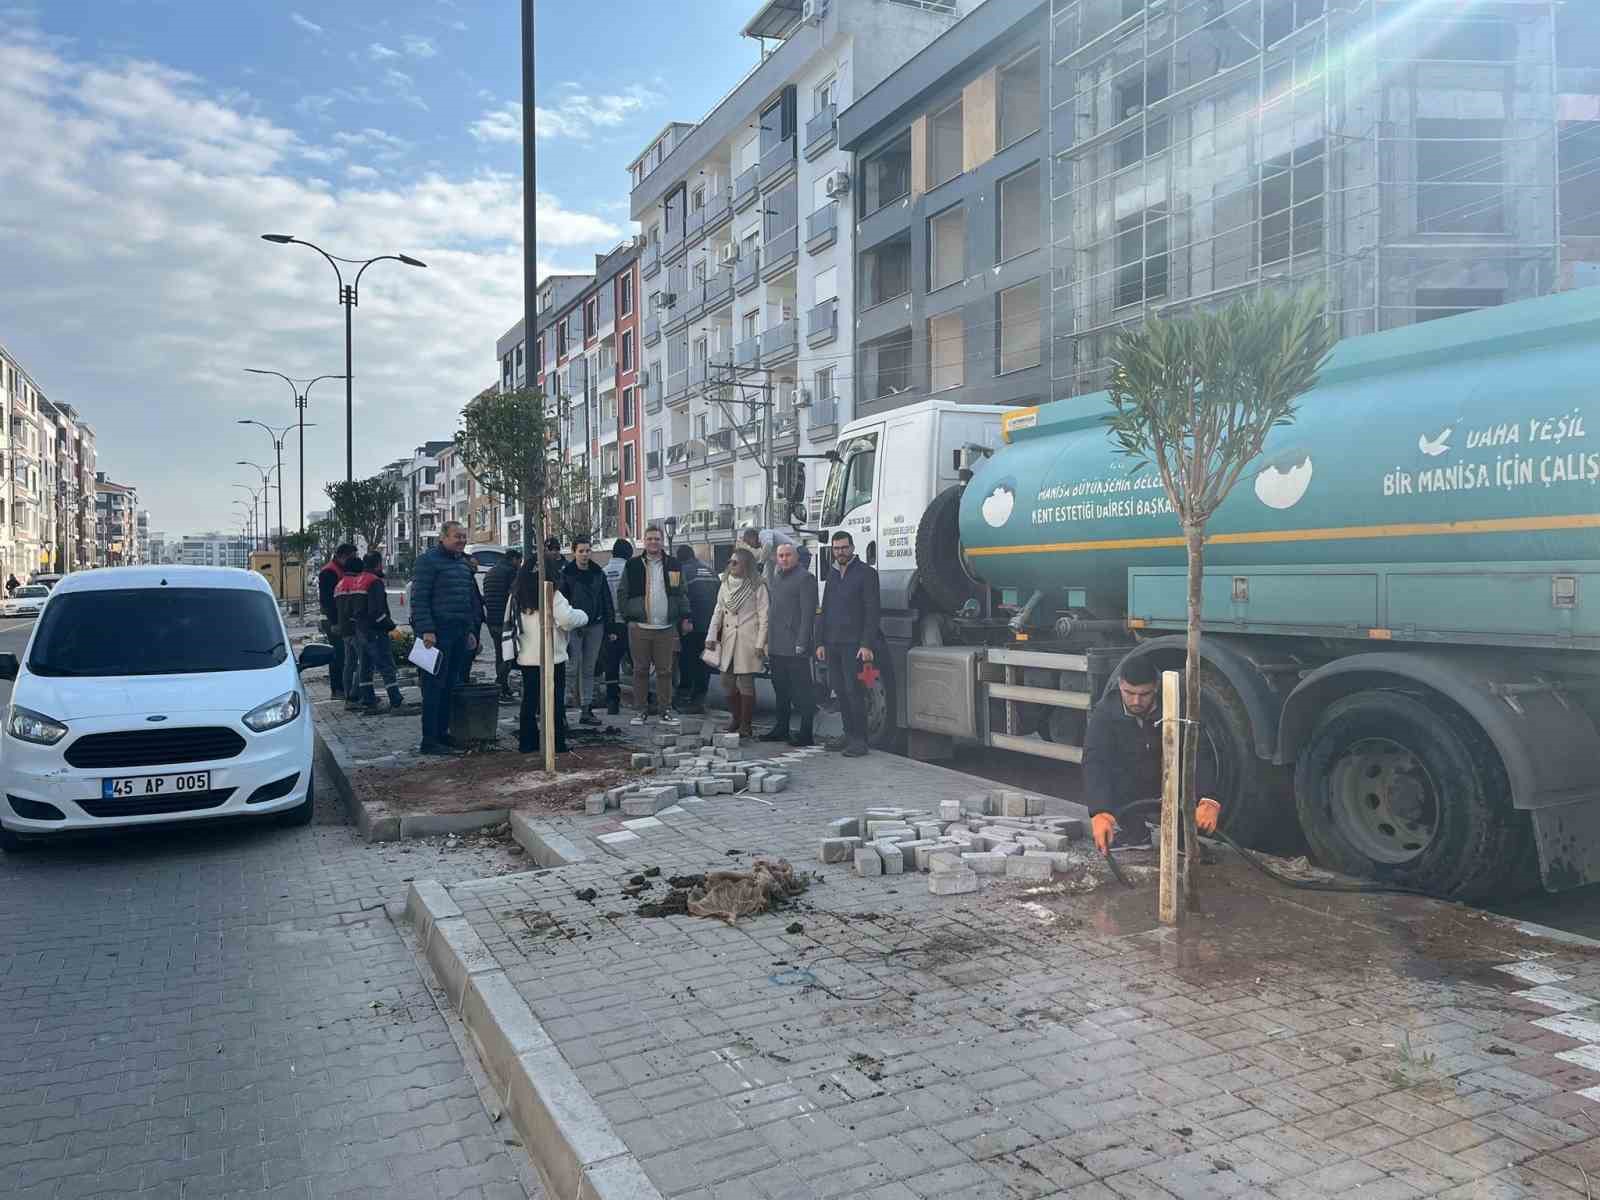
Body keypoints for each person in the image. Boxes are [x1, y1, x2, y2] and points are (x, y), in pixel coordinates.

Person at [1083, 656, 1221, 854]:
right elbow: (1094, 760)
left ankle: (1184, 838)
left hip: (1171, 779)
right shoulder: (1105, 711)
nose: (1136, 701)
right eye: (1129, 693)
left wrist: (1209, 799)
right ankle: (1135, 833)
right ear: (1120, 684)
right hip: (1130, 782)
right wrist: (1099, 811)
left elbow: (1200, 752)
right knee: (1109, 772)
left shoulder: (1177, 706)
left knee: (1188, 772)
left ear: (1156, 687)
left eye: (1144, 694)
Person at [410, 521, 479, 755]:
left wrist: (470, 630)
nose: (461, 540)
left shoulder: (462, 563)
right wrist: (427, 630)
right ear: (443, 537)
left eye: (463, 536)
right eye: (456, 536)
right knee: (433, 688)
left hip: (459, 633)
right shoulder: (427, 561)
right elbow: (419, 599)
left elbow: (468, 600)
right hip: (436, 636)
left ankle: (442, 733)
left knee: (450, 685)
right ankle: (429, 740)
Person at [514, 555, 589, 754]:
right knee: (554, 699)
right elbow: (566, 619)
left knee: (530, 699)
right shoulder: (551, 593)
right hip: (550, 654)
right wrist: (584, 615)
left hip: (527, 654)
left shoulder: (517, 593)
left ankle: (527, 741)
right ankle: (556, 741)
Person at [617, 526, 689, 725]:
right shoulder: (632, 565)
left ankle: (665, 710)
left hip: (666, 627)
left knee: (665, 671)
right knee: (640, 670)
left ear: (662, 541)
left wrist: (685, 616)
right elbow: (622, 592)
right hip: (639, 627)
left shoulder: (673, 564)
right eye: (649, 539)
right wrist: (628, 615)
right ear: (644, 541)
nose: (653, 542)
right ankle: (641, 711)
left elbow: (681, 591)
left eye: (657, 539)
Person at [816, 530, 880, 757]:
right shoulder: (832, 573)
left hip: (854, 645)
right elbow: (825, 608)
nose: (840, 552)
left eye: (844, 547)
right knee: (840, 692)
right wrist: (820, 641)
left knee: (854, 692)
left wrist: (866, 644)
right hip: (832, 643)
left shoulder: (866, 574)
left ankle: (859, 741)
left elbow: (872, 612)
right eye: (836, 548)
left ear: (852, 548)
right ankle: (848, 734)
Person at [704, 547, 768, 738]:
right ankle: (736, 718)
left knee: (746, 683)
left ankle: (746, 725)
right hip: (728, 639)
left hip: (748, 640)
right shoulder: (724, 583)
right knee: (726, 681)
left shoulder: (757, 585)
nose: (731, 565)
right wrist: (711, 636)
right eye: (730, 561)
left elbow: (765, 616)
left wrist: (760, 643)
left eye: (735, 562)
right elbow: (718, 611)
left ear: (746, 565)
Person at [761, 541, 817, 745]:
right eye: (781, 555)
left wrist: (802, 641)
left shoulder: (805, 579)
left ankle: (806, 733)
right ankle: (781, 728)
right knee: (781, 690)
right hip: (777, 646)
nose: (784, 559)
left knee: (802, 691)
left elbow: (807, 613)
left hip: (795, 647)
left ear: (796, 557)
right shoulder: (776, 578)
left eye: (787, 555)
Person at [562, 536, 615, 725]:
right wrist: (567, 623)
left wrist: (610, 626)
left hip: (595, 624)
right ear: (574, 552)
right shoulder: (567, 573)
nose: (585, 554)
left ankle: (586, 708)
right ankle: (562, 709)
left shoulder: (598, 573)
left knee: (589, 668)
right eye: (581, 551)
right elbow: (562, 601)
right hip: (574, 625)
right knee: (571, 666)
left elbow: (606, 599)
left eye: (587, 551)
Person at [348, 550, 405, 711]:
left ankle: (368, 699)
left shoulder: (357, 580)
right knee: (386, 665)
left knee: (365, 667)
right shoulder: (374, 582)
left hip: (360, 631)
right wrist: (390, 625)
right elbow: (376, 611)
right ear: (378, 564)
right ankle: (395, 699)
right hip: (375, 632)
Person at [675, 544, 718, 715]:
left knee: (688, 662)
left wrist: (684, 620)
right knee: (704, 662)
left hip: (691, 624)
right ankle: (700, 698)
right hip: (711, 625)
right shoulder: (711, 571)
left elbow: (682, 597)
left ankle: (687, 698)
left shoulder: (683, 571)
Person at [318, 543, 358, 698]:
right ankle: (337, 689)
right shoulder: (329, 572)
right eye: (352, 557)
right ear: (344, 556)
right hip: (333, 621)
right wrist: (335, 622)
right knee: (339, 654)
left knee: (346, 655)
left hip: (343, 620)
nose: (353, 561)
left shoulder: (340, 570)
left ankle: (344, 688)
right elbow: (327, 600)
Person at [481, 549, 521, 701]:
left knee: (500, 653)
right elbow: (515, 595)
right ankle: (501, 684)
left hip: (492, 620)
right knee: (508, 654)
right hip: (505, 620)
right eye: (519, 561)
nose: (520, 564)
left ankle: (503, 686)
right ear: (514, 559)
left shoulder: (491, 572)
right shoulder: (510, 572)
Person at [600, 538, 632, 715]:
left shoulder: (604, 572)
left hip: (610, 624)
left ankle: (612, 701)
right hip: (628, 622)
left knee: (611, 665)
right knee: (637, 662)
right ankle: (643, 701)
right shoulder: (629, 570)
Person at [739, 525, 805, 579]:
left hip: (800, 553)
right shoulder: (768, 553)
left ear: (752, 537)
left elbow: (768, 544)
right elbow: (769, 572)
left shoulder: (764, 533)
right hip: (794, 557)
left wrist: (761, 563)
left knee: (797, 580)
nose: (750, 546)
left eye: (749, 542)